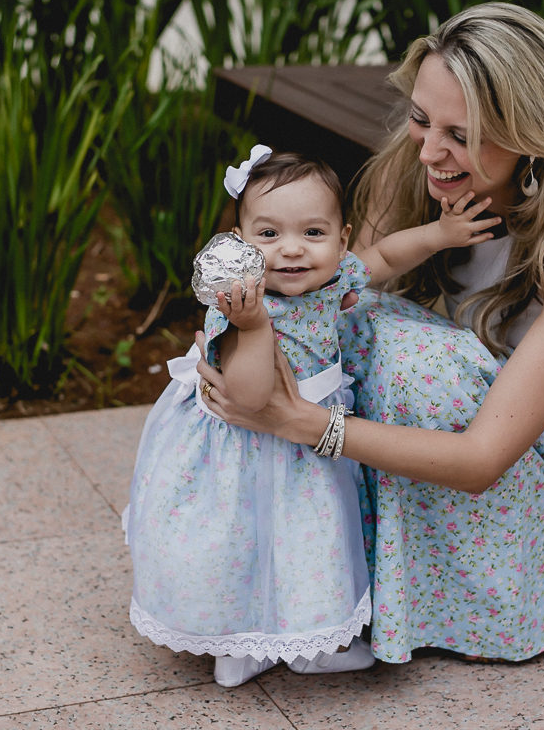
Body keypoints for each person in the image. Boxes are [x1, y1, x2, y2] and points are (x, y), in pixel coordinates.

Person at [194, 2, 544, 664]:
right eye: (421, 118)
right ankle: (344, 567)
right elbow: (338, 299)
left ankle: (543, 581)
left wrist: (297, 421)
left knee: (416, 362)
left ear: (532, 135)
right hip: (486, 381)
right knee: (363, 329)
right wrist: (239, 340)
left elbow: (481, 459)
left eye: (462, 134)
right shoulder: (419, 163)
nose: (428, 149)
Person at [125, 147, 501, 687]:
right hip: (252, 451)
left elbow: (384, 257)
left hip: (303, 439)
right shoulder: (241, 309)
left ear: (341, 240)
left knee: (304, 547)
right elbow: (250, 396)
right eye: (269, 234)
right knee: (248, 545)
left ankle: (305, 644)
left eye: (313, 233)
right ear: (239, 243)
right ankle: (240, 645)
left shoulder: (333, 279)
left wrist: (439, 234)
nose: (292, 249)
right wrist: (254, 327)